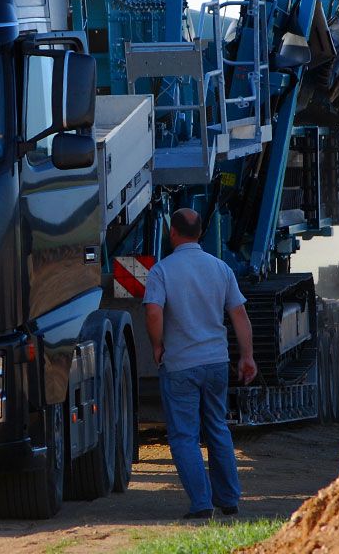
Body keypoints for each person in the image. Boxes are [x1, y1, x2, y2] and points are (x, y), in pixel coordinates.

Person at [143, 208, 257, 519]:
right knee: (218, 428)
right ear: (200, 234)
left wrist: (157, 345)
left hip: (180, 364)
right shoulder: (221, 269)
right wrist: (246, 356)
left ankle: (201, 504)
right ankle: (229, 499)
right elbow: (239, 316)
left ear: (173, 234)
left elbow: (153, 312)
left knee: (184, 436)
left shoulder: (162, 271)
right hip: (216, 363)